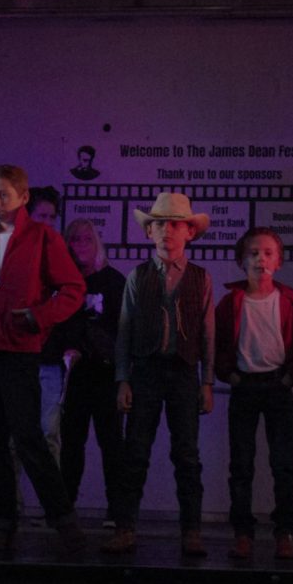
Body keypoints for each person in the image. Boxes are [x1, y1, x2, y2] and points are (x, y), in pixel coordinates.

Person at [0, 165, 87, 554]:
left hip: (19, 352)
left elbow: (72, 289)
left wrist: (37, 317)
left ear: (23, 197)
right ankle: (1, 522)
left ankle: (63, 519)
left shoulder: (43, 238)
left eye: (4, 195)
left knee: (29, 439)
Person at [102, 193, 215, 557]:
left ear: (189, 233)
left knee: (187, 455)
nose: (167, 231)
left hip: (183, 372)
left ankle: (192, 531)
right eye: (160, 224)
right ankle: (125, 527)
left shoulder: (201, 278)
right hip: (145, 372)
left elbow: (208, 334)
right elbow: (125, 331)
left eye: (176, 224)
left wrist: (208, 381)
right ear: (149, 232)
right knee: (135, 452)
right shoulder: (138, 276)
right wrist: (123, 379)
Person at [215, 227, 293, 560]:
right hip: (244, 387)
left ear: (279, 260)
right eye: (254, 253)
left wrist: (291, 379)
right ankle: (242, 533)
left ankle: (285, 532)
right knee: (241, 465)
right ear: (241, 260)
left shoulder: (289, 300)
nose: (261, 258)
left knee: (283, 464)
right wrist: (227, 374)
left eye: (268, 252)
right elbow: (214, 344)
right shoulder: (230, 302)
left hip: (277, 388)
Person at [55, 218, 126, 524]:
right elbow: (57, 325)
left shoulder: (114, 281)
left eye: (86, 239)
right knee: (71, 444)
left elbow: (125, 331)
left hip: (107, 375)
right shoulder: (63, 283)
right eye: (74, 240)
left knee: (112, 444)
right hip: (74, 376)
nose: (80, 245)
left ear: (97, 242)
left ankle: (118, 510)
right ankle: (65, 508)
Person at [27, 185, 67, 463]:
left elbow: (72, 302)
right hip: (21, 357)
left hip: (51, 359)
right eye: (42, 216)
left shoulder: (61, 254)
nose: (48, 223)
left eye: (52, 217)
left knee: (50, 434)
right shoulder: (15, 255)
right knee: (16, 435)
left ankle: (51, 505)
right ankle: (12, 504)